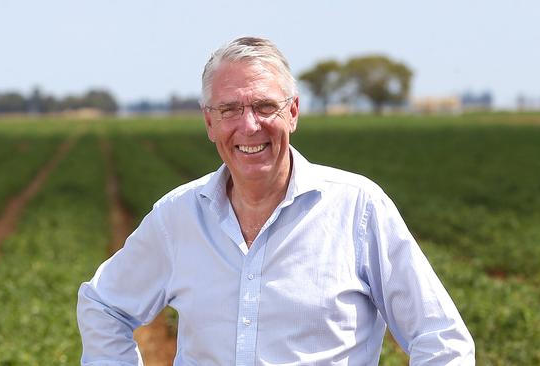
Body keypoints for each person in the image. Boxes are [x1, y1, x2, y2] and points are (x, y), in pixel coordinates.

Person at [77, 36, 475, 365]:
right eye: (230, 109)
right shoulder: (178, 217)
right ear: (209, 123)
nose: (249, 126)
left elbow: (441, 340)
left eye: (265, 106)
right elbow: (103, 305)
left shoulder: (358, 208)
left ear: (294, 113)